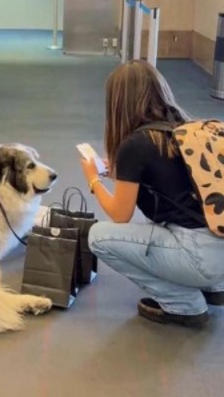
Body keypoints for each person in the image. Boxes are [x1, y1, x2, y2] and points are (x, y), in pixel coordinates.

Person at [80, 60, 224, 328]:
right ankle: (215, 286)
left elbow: (120, 215)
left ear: (118, 102)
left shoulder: (135, 145)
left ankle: (183, 303)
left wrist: (93, 180)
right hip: (218, 243)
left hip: (198, 256)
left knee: (98, 237)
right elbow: (173, 180)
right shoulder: (185, 128)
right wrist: (120, 171)